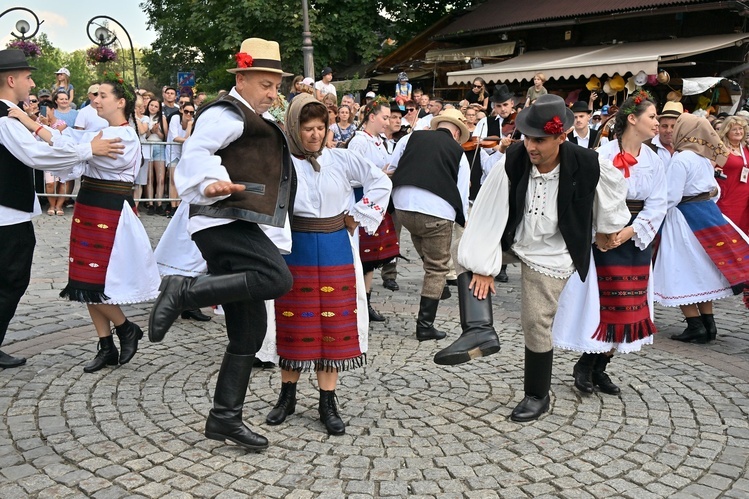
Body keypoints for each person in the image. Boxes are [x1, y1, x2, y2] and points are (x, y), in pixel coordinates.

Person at [433, 94, 629, 423]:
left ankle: (537, 395)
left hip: (554, 250)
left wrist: (609, 230)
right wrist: (484, 266)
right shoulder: (513, 160)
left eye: (539, 140)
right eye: (526, 137)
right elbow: (486, 212)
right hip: (516, 237)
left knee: (535, 322)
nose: (531, 146)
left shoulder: (588, 163)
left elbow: (611, 200)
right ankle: (479, 329)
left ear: (561, 137)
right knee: (465, 252)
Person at [148, 37, 295, 452]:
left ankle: (224, 418)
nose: (272, 93)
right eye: (265, 84)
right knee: (274, 277)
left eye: (276, 86)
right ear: (243, 78)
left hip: (235, 221)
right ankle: (184, 291)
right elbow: (197, 149)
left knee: (250, 333)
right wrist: (207, 183)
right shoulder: (229, 115)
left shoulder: (250, 115)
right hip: (223, 221)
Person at [264, 93, 391, 435]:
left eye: (321, 127)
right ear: (294, 129)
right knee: (292, 323)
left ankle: (327, 400)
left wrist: (357, 214)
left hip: (336, 247)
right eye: (307, 128)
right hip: (296, 249)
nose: (315, 135)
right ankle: (287, 396)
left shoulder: (341, 159)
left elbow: (382, 182)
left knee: (333, 326)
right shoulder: (282, 164)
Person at [0, 50, 126, 369]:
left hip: (10, 210)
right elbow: (37, 156)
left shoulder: (12, 114)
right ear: (11, 80)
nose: (32, 82)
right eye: (28, 77)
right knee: (12, 278)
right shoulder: (4, 117)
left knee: (11, 278)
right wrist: (88, 150)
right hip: (6, 213)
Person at [553, 91, 667, 396]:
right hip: (603, 240)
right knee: (604, 306)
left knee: (628, 307)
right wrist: (602, 233)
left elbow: (659, 203)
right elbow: (585, 198)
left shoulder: (655, 160)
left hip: (634, 241)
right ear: (633, 119)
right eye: (653, 116)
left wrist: (630, 232)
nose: (657, 122)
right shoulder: (601, 156)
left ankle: (599, 367)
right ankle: (586, 365)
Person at [654, 114, 749, 343]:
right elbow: (715, 190)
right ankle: (709, 323)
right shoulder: (703, 158)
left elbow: (672, 196)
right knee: (701, 271)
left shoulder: (681, 159)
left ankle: (695, 325)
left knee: (680, 270)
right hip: (706, 214)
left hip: (683, 218)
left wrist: (654, 212)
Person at [389, 108, 471, 341]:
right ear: (456, 133)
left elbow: (393, 166)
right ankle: (425, 326)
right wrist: (462, 220)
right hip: (436, 213)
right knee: (437, 267)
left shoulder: (411, 137)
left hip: (404, 206)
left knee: (420, 236)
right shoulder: (458, 152)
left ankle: (437, 285)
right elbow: (462, 191)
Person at [347, 97, 400, 322]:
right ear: (372, 117)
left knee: (371, 256)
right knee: (360, 254)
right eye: (385, 117)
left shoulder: (378, 141)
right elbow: (350, 175)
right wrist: (379, 175)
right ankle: (355, 302)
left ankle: (366, 303)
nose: (387, 122)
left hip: (376, 200)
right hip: (361, 200)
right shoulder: (359, 142)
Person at [715, 116, 749, 234]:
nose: (738, 132)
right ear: (726, 131)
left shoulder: (746, 148)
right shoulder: (721, 149)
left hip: (744, 198)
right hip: (728, 196)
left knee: (743, 231)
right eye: (734, 129)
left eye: (740, 128)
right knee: (727, 231)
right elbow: (709, 168)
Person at [165, 100, 195, 218]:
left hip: (184, 154)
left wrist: (189, 126)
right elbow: (175, 137)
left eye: (191, 112)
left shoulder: (192, 123)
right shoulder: (175, 119)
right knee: (173, 180)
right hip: (172, 152)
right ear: (181, 110)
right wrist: (188, 140)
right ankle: (173, 206)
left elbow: (187, 138)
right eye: (186, 111)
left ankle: (179, 206)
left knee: (181, 181)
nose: (188, 114)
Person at [144, 99, 168, 215]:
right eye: (151, 105)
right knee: (149, 178)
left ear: (159, 108)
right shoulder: (144, 118)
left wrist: (157, 132)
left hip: (159, 146)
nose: (153, 107)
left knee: (160, 178)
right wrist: (151, 131)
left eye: (155, 106)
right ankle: (150, 204)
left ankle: (159, 203)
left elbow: (165, 136)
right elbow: (144, 135)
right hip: (147, 146)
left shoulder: (162, 119)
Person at [643, 101, 682, 166]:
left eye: (673, 126)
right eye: (664, 126)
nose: (668, 130)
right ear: (658, 126)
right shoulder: (646, 147)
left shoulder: (687, 148)